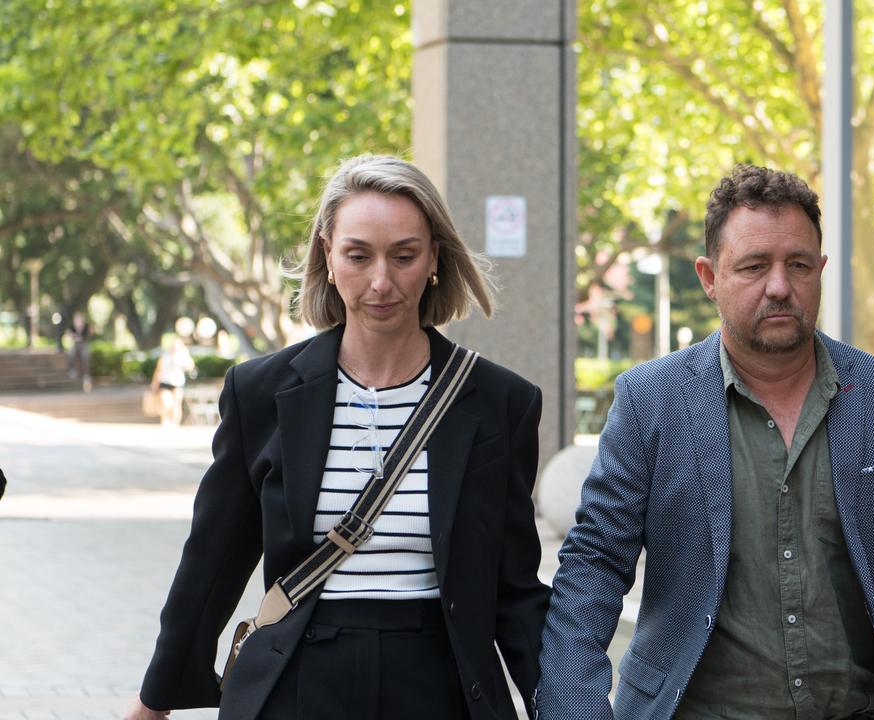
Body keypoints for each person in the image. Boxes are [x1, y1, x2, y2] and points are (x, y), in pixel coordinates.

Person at [536, 165, 874, 720]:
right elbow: (594, 566)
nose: (779, 286)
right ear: (709, 276)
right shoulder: (652, 400)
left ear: (820, 270)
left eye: (798, 265)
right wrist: (575, 708)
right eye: (753, 266)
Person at [127, 155, 549, 719]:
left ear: (433, 262)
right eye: (358, 255)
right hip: (297, 680)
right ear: (327, 255)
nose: (381, 281)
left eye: (404, 256)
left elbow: (515, 587)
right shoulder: (261, 393)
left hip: (439, 685)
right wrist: (154, 702)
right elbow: (212, 560)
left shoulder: (499, 403)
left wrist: (567, 700)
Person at [150, 334, 195, 428]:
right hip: (165, 382)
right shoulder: (165, 355)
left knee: (176, 404)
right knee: (166, 403)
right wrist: (154, 383)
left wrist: (185, 355)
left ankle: (175, 423)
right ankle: (165, 421)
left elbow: (190, 367)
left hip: (177, 383)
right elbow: (158, 370)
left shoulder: (183, 356)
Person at [68, 311, 92, 392]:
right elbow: (69, 334)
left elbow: (88, 334)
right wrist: (73, 335)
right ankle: (72, 370)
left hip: (83, 344)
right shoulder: (72, 327)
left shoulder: (85, 326)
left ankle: (86, 375)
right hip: (75, 345)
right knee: (70, 354)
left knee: (85, 355)